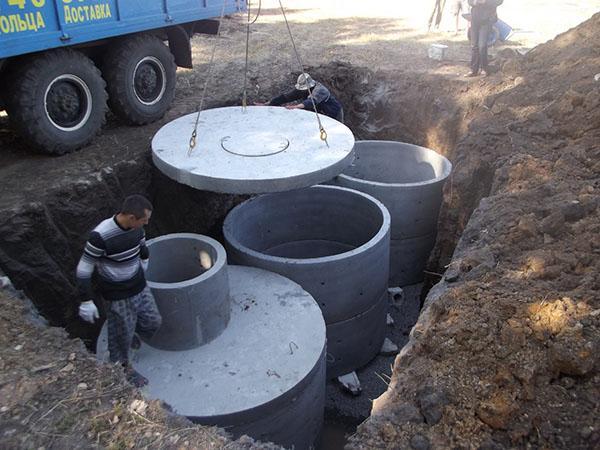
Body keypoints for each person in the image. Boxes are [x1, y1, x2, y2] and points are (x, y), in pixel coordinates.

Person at [76, 194, 161, 387]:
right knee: (121, 337)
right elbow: (84, 268)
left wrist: (144, 260)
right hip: (118, 293)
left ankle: (129, 334)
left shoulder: (137, 230)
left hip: (138, 284)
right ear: (131, 217)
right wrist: (86, 300)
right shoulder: (100, 236)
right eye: (144, 219)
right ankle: (122, 369)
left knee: (152, 321)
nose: (147, 223)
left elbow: (141, 246)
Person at [257, 73, 344, 123]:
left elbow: (311, 102)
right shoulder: (302, 90)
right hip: (320, 112)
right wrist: (268, 104)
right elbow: (287, 97)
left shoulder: (320, 90)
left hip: (333, 113)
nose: (302, 91)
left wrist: (295, 107)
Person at [466, 0, 503, 77]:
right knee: (474, 45)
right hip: (475, 19)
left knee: (482, 46)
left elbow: (499, 1)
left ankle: (484, 69)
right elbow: (469, 1)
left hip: (487, 20)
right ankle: (473, 70)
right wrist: (474, 2)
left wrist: (485, 2)